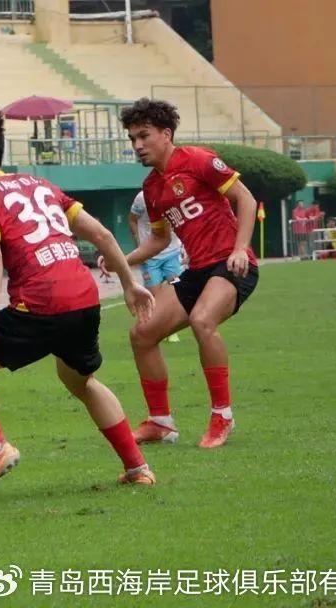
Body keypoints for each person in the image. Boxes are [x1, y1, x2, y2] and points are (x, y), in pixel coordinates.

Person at [0, 104, 157, 498]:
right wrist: (130, 284)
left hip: (40, 304)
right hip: (84, 299)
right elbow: (103, 235)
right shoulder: (40, 185)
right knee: (80, 380)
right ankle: (137, 467)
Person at [111, 98, 259, 449]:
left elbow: (247, 199)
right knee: (142, 334)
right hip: (197, 270)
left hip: (232, 264)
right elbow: (160, 239)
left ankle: (222, 415)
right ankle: (161, 423)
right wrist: (121, 259)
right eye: (132, 138)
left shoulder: (198, 160)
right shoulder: (151, 188)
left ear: (166, 134)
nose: (137, 145)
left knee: (202, 321)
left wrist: (240, 248)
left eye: (144, 136)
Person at [128, 190, 184, 343]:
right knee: (155, 296)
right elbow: (132, 219)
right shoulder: (142, 197)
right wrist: (139, 243)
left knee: (177, 286)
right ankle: (160, 330)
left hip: (172, 254)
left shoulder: (177, 192)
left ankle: (171, 329)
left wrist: (184, 247)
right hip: (150, 257)